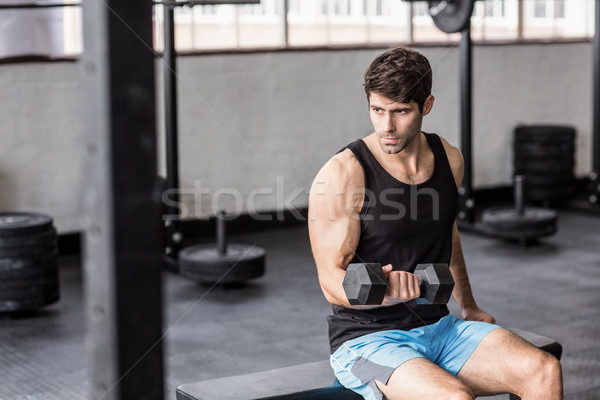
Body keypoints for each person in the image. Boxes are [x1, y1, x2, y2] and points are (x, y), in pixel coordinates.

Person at [307, 47, 562, 400]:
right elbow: (329, 281)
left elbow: (447, 234)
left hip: (440, 329)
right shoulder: (343, 173)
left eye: (400, 112)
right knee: (453, 397)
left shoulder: (449, 159)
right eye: (377, 110)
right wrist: (387, 289)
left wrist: (468, 305)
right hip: (363, 347)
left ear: (426, 105)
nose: (387, 127)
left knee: (543, 370)